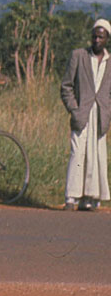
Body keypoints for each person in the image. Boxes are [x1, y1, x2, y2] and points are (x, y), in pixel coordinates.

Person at [60, 19, 111, 210]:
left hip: (100, 118)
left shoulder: (109, 62)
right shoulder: (79, 56)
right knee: (77, 153)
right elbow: (66, 86)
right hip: (82, 115)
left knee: (97, 156)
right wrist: (74, 109)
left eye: (101, 37)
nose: (97, 40)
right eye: (94, 36)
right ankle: (71, 197)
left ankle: (90, 198)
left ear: (107, 39)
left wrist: (108, 112)